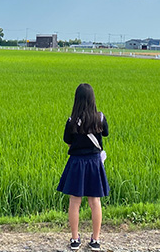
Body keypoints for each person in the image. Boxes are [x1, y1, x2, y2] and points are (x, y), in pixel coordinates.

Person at [57, 83, 109, 250]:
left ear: (76, 99)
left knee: (74, 201)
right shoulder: (100, 118)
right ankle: (95, 240)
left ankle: (74, 239)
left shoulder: (71, 121)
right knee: (95, 201)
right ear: (92, 99)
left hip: (77, 163)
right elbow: (105, 133)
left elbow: (68, 141)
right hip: (94, 163)